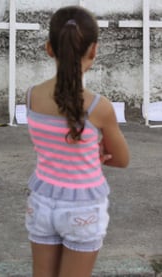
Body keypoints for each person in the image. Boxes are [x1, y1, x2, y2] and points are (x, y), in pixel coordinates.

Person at [25, 6, 130, 277]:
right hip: (84, 206)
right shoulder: (99, 107)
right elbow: (121, 160)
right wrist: (98, 152)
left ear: (49, 48)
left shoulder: (32, 96)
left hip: (42, 202)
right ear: (93, 50)